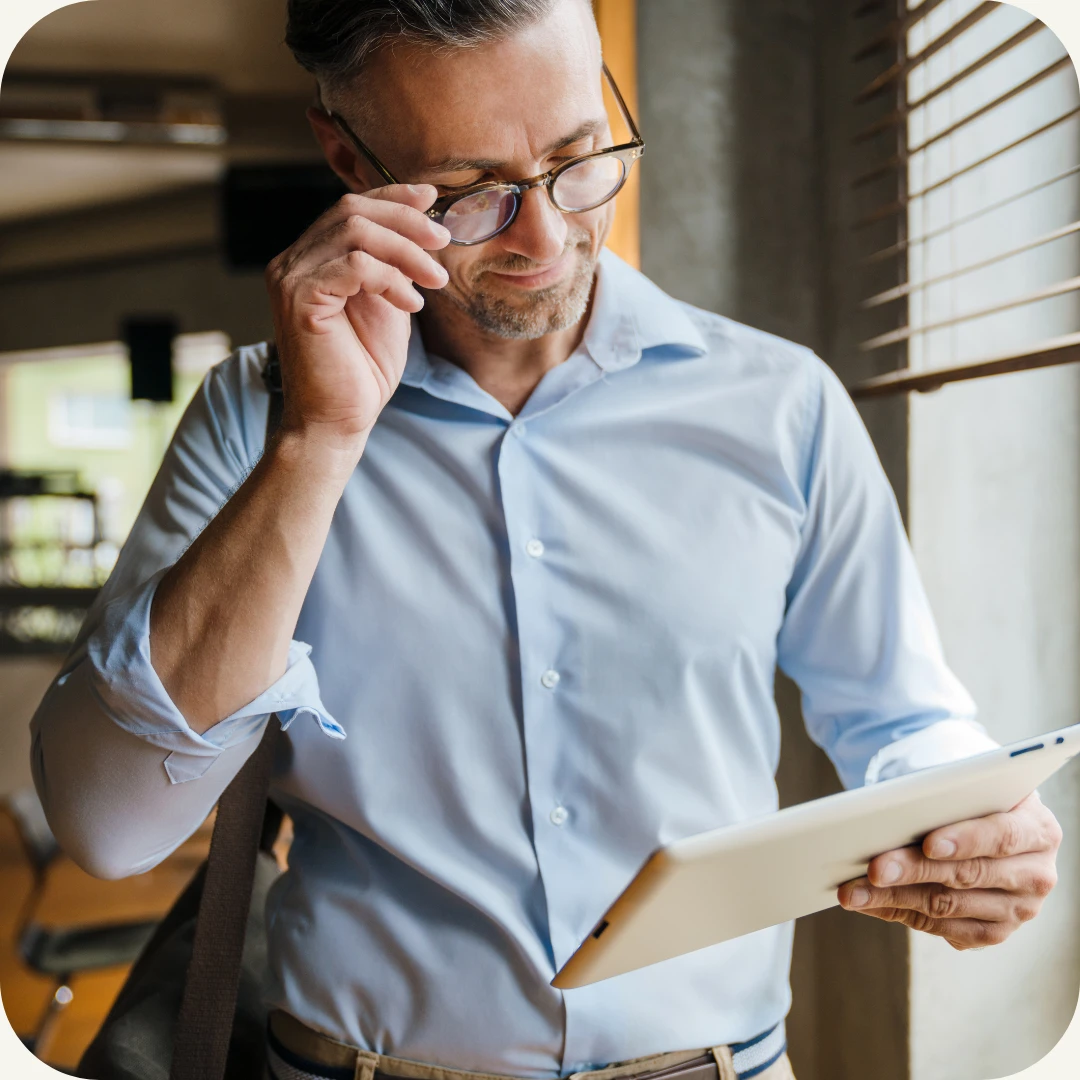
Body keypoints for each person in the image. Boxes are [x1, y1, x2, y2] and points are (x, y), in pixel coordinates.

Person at [30, 2, 1063, 1079]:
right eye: (474, 191)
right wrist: (317, 441)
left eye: (578, 156)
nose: (546, 234)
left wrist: (973, 831)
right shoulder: (253, 422)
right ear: (348, 157)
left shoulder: (783, 406)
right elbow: (109, 829)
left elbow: (904, 718)